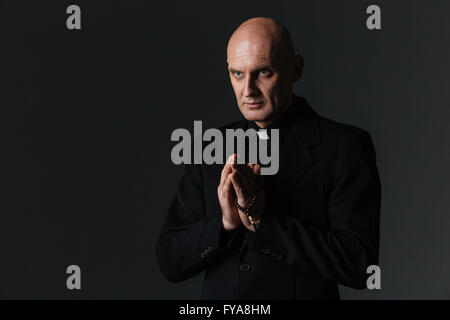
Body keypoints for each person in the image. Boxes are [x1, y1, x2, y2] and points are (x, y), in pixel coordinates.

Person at [156, 17, 381, 299]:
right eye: (237, 74)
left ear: (296, 69)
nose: (247, 89)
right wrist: (225, 224)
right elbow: (169, 260)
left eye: (262, 72)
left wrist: (264, 222)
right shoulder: (207, 146)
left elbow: (359, 265)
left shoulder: (345, 146)